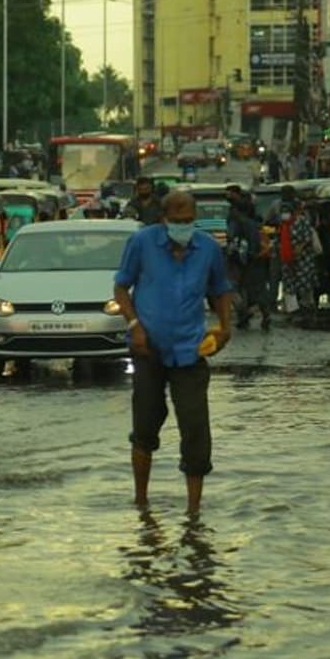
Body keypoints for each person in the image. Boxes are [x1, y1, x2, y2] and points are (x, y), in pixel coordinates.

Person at [113, 191, 233, 516]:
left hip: (190, 350)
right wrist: (134, 324)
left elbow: (220, 290)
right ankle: (141, 503)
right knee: (144, 426)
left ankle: (194, 511)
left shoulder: (208, 249)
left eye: (188, 221)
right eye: (177, 221)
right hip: (148, 349)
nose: (183, 226)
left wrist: (225, 328)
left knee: (196, 429)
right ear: (163, 219)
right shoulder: (142, 243)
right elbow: (121, 287)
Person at [225, 185, 272, 330]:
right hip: (252, 258)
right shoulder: (252, 223)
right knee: (255, 288)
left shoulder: (239, 222)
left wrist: (234, 254)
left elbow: (232, 239)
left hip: (243, 259)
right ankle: (259, 314)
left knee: (238, 287)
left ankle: (245, 314)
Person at [277, 187, 319, 321]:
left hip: (303, 258)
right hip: (287, 258)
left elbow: (306, 238)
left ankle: (308, 307)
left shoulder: (302, 221)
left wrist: (298, 249)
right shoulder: (284, 224)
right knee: (289, 284)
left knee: (304, 283)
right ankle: (292, 309)